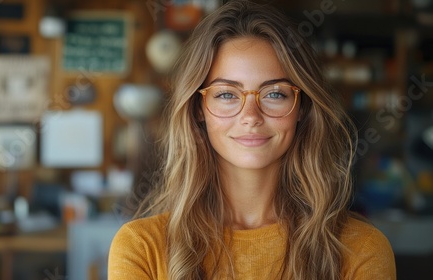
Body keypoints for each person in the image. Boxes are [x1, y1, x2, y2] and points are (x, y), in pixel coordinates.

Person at [108, 0, 396, 279]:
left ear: (302, 107)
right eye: (226, 94)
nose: (251, 116)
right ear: (198, 109)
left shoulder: (362, 249)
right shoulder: (142, 247)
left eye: (274, 94)